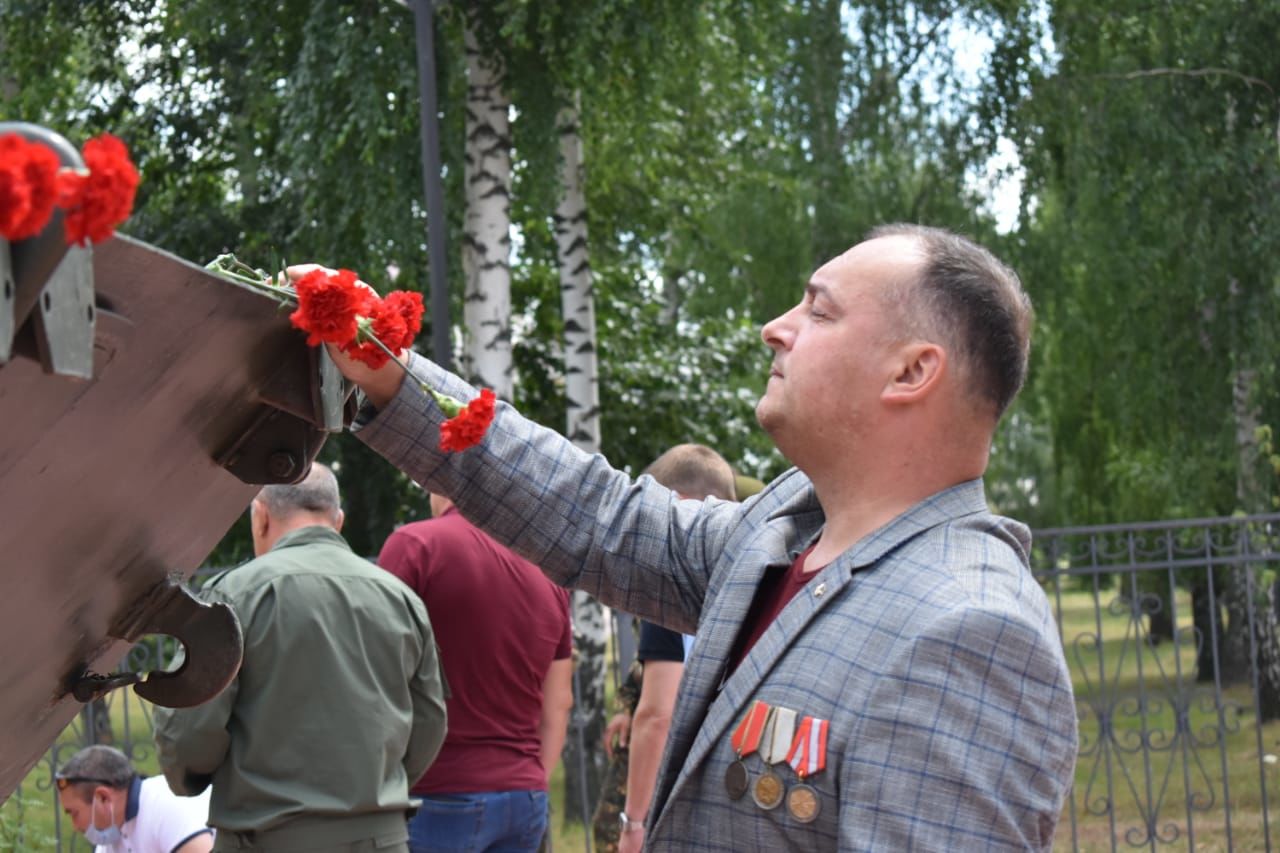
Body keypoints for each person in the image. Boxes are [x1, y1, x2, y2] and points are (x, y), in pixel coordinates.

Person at [302, 223, 1078, 850]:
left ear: (912, 372)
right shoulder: (782, 529)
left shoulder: (970, 630)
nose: (776, 328)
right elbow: (596, 514)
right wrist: (394, 376)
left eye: (820, 310)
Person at [152, 464, 448, 853]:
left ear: (260, 516)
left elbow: (189, 729)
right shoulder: (401, 598)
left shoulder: (234, 596)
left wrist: (188, 777)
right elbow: (430, 720)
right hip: (381, 838)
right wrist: (376, 785)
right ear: (338, 521)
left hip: (269, 835)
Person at [376, 491, 574, 853]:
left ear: (440, 482)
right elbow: (560, 702)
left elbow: (375, 674)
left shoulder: (416, 545)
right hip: (524, 796)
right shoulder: (549, 572)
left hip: (438, 790)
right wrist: (533, 779)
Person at [592, 445, 737, 853]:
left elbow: (658, 715)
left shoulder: (671, 586)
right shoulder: (747, 579)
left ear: (679, 507)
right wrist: (627, 708)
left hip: (679, 795)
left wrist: (634, 823)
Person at [55, 745, 213, 853]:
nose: (75, 826)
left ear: (103, 797)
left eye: (74, 813)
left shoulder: (166, 804)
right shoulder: (109, 842)